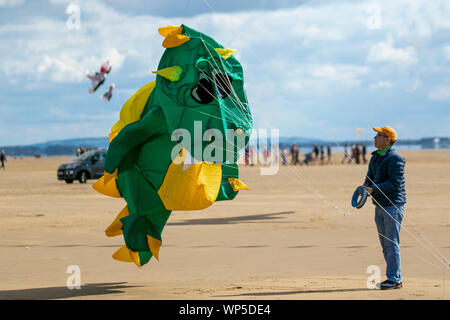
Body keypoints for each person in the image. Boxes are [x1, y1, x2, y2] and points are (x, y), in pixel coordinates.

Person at [362, 126, 406, 290]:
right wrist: (365, 187)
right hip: (379, 205)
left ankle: (395, 279)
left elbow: (394, 183)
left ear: (387, 139)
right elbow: (369, 178)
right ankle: (393, 277)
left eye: (378, 136)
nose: (374, 138)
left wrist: (374, 189)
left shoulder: (396, 158)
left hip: (393, 206)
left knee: (391, 243)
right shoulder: (375, 157)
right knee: (385, 243)